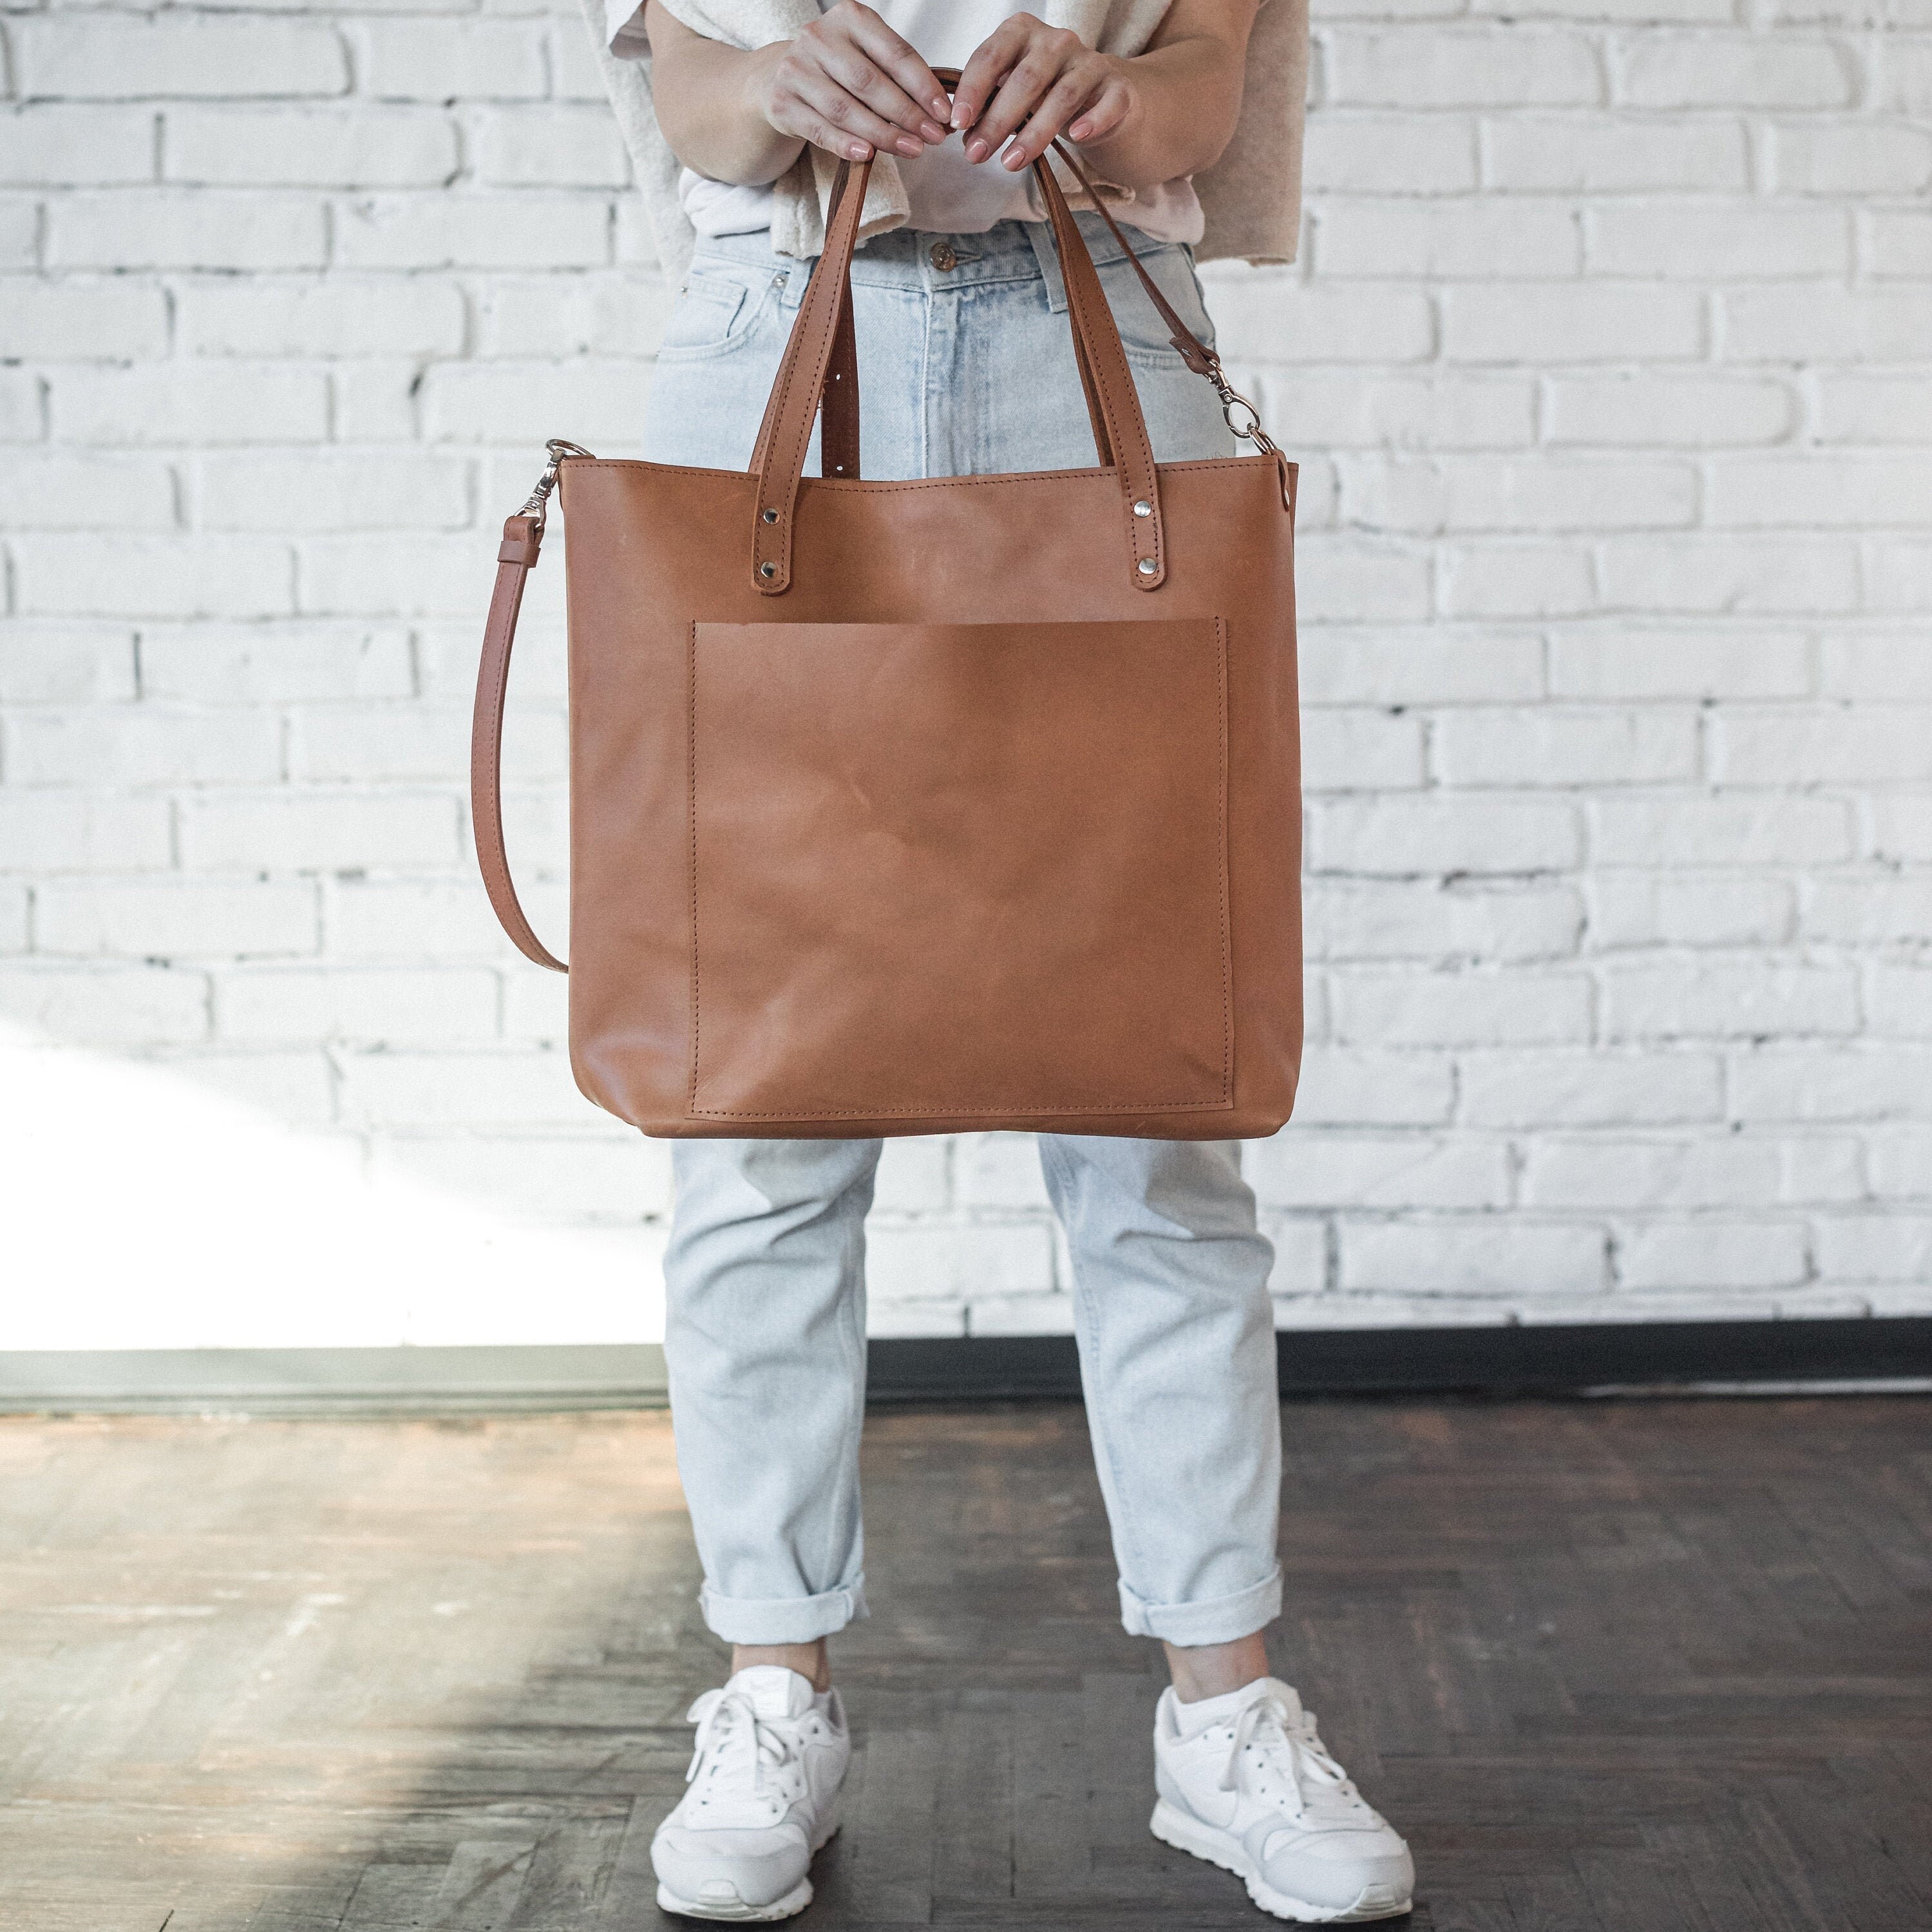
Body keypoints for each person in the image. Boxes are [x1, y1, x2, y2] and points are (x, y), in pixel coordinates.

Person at [591, 1, 1415, 1920]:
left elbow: (1207, 88)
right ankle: (771, 1691)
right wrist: (774, 87)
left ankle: (1225, 1711)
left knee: (1154, 1091)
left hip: (1100, 331)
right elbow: (687, 90)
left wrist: (1122, 101)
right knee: (759, 1102)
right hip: (778, 325)